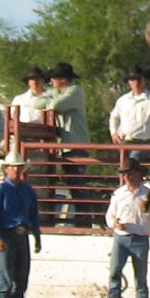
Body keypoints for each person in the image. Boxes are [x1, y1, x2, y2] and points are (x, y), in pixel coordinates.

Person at [103, 158, 150, 298]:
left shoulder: (148, 195)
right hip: (121, 236)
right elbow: (110, 216)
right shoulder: (118, 194)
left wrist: (147, 212)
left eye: (130, 174)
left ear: (139, 175)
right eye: (125, 174)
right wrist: (114, 224)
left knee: (140, 277)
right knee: (115, 272)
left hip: (139, 238)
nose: (128, 177)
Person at [0, 150, 42, 298]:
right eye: (13, 168)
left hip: (22, 234)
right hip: (7, 235)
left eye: (18, 168)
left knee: (21, 277)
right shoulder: (0, 191)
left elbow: (34, 215)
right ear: (7, 169)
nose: (16, 171)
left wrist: (37, 236)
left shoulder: (27, 191)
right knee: (7, 277)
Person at [34, 62, 93, 227]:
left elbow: (55, 106)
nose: (51, 81)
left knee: (77, 184)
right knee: (73, 183)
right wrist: (53, 94)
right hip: (67, 146)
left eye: (54, 78)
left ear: (63, 79)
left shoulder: (75, 91)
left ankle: (84, 220)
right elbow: (36, 103)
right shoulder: (59, 92)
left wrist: (52, 96)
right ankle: (82, 219)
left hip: (76, 144)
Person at [108, 65, 150, 162]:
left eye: (139, 79)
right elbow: (114, 116)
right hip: (124, 141)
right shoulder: (123, 100)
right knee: (123, 165)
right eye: (133, 80)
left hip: (144, 143)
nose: (136, 83)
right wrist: (113, 133)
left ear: (144, 80)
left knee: (133, 161)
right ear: (129, 82)